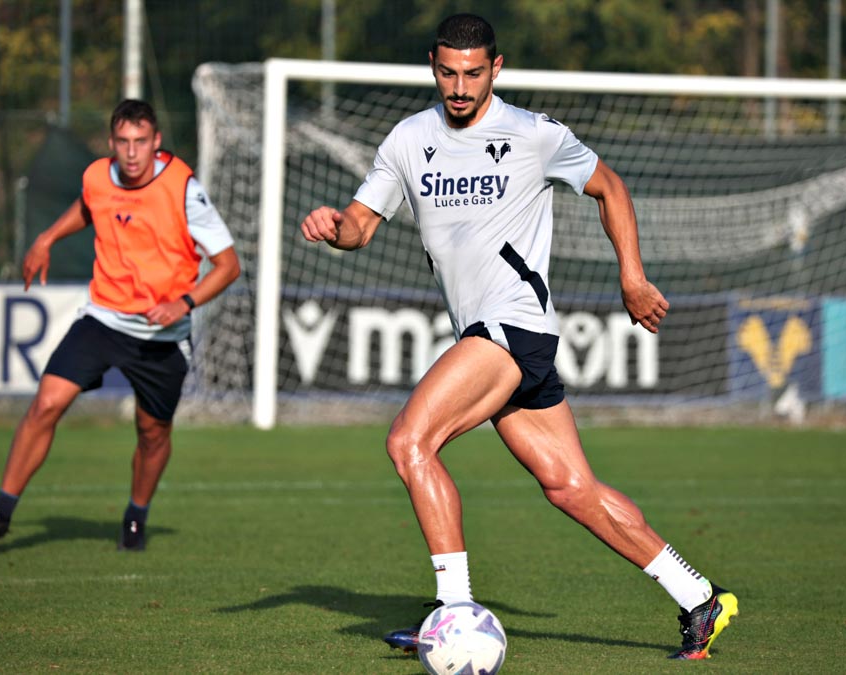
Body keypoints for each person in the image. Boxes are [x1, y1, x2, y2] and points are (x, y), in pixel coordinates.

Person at [299, 13, 737, 661]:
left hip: (512, 324)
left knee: (409, 441)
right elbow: (362, 225)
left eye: (473, 72)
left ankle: (453, 611)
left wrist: (633, 277)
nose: (459, 85)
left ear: (495, 69)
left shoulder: (533, 134)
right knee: (570, 487)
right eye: (448, 71)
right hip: (498, 336)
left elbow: (609, 186)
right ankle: (700, 597)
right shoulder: (408, 139)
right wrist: (334, 225)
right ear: (432, 65)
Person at [0, 99, 240, 553]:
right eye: (123, 142)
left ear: (156, 143)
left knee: (152, 434)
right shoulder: (96, 176)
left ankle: (135, 516)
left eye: (140, 142)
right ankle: (0, 512)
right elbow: (90, 206)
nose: (131, 152)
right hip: (103, 319)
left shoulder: (183, 188)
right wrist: (47, 237)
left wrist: (182, 304)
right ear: (112, 143)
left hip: (160, 337)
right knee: (46, 404)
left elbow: (228, 266)